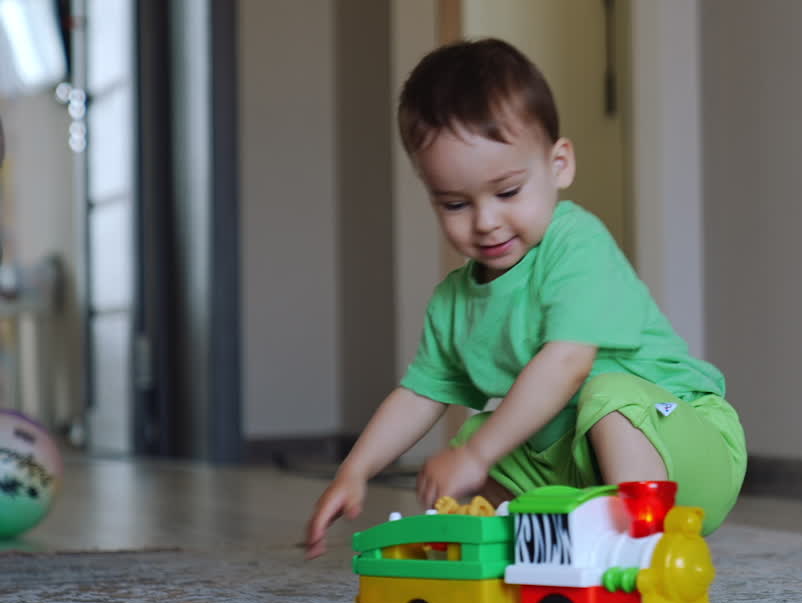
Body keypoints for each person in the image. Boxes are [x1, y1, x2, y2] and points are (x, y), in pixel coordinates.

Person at [304, 39, 745, 558]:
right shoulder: (455, 300)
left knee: (603, 397)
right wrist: (354, 472)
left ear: (559, 165)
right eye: (454, 203)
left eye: (508, 192)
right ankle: (510, 557)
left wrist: (475, 454)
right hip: (577, 467)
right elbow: (420, 394)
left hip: (688, 445)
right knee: (480, 442)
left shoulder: (575, 244)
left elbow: (568, 363)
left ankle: (639, 553)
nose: (486, 221)